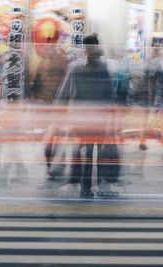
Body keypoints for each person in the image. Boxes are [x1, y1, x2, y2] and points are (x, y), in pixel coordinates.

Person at [54, 34, 119, 198]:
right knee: (94, 151)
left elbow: (65, 92)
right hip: (95, 118)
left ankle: (86, 187)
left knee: (86, 151)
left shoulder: (77, 67)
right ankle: (92, 185)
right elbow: (110, 94)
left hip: (83, 117)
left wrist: (57, 112)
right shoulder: (101, 68)